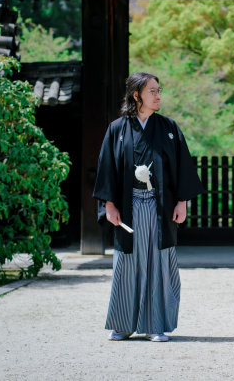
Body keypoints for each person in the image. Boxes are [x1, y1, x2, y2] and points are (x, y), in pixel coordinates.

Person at [93, 72, 204, 342]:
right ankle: (123, 324)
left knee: (158, 264)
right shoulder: (117, 129)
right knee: (126, 263)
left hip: (159, 206)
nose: (158, 95)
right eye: (152, 91)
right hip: (128, 206)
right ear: (136, 95)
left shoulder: (168, 128)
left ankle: (155, 325)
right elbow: (107, 167)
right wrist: (109, 204)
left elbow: (182, 166)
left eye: (159, 90)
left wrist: (182, 202)